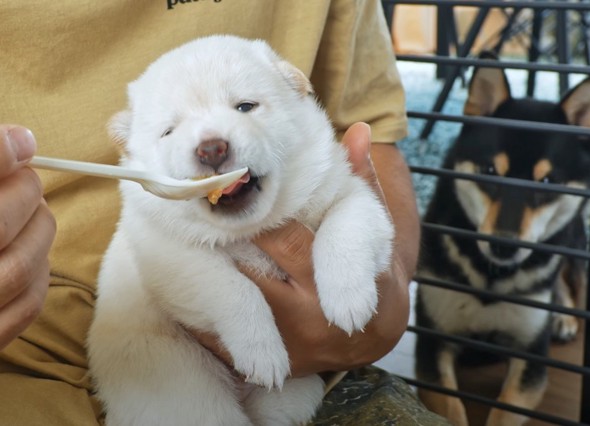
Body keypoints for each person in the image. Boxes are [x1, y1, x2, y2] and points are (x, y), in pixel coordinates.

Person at [0, 1, 448, 424]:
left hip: (323, 367)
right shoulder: (154, 215)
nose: (211, 143)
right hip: (122, 361)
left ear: (296, 91)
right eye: (170, 129)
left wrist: (376, 293)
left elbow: (361, 188)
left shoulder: (312, 156)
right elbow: (170, 264)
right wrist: (241, 314)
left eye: (246, 106)